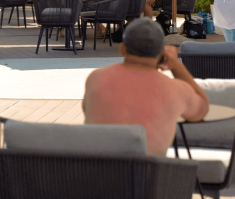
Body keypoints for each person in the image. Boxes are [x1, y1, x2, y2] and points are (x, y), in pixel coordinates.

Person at [83, 18, 210, 156]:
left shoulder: (96, 78)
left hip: (96, 172)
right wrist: (176, 66)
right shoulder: (176, 89)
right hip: (149, 174)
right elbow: (202, 110)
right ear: (162, 54)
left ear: (122, 49)